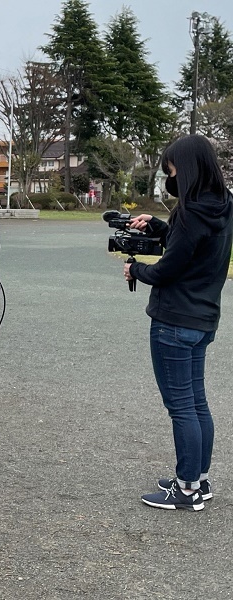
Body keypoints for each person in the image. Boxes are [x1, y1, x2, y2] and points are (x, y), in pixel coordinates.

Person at [124, 134, 233, 511]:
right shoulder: (223, 205)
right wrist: (157, 226)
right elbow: (191, 247)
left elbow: (170, 268)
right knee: (197, 402)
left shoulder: (189, 212)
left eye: (171, 169)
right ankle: (197, 480)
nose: (170, 176)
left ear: (183, 169)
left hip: (174, 320)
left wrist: (135, 268)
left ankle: (186, 491)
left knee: (182, 407)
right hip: (203, 317)